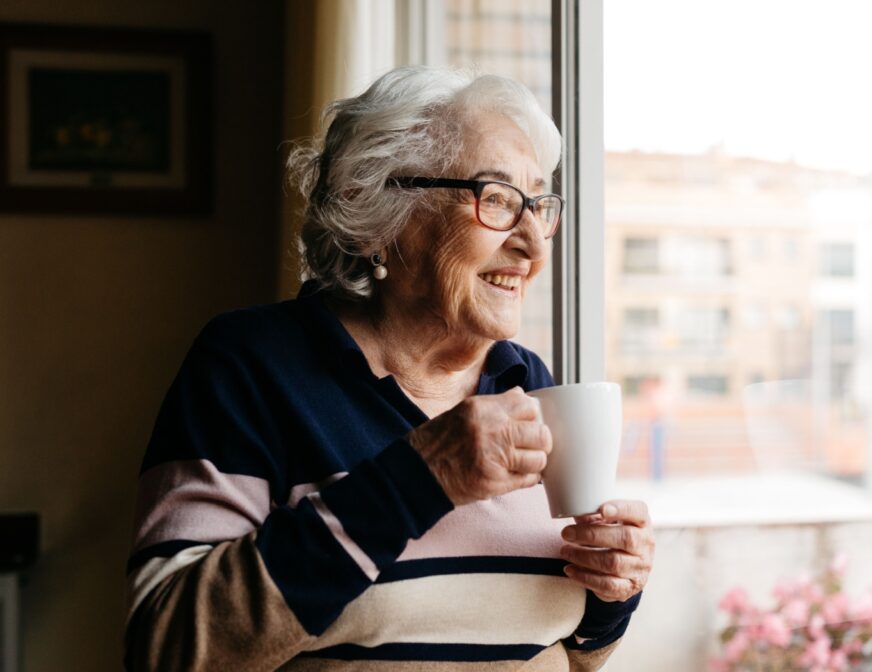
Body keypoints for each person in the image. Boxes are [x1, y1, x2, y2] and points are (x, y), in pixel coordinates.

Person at [124, 65, 655, 671]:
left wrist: (613, 592)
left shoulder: (528, 383)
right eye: (499, 200)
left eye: (539, 204)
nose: (534, 242)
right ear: (374, 210)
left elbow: (568, 651)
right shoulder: (252, 366)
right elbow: (166, 648)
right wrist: (419, 478)